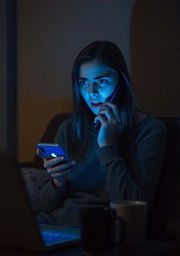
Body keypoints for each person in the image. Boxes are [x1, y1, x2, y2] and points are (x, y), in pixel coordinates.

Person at [36, 41, 167, 226]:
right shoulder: (68, 128)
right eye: (84, 83)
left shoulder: (150, 130)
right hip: (53, 225)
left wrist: (107, 145)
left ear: (121, 82)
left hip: (102, 230)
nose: (91, 93)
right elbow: (43, 207)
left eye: (101, 81)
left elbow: (135, 206)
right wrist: (58, 182)